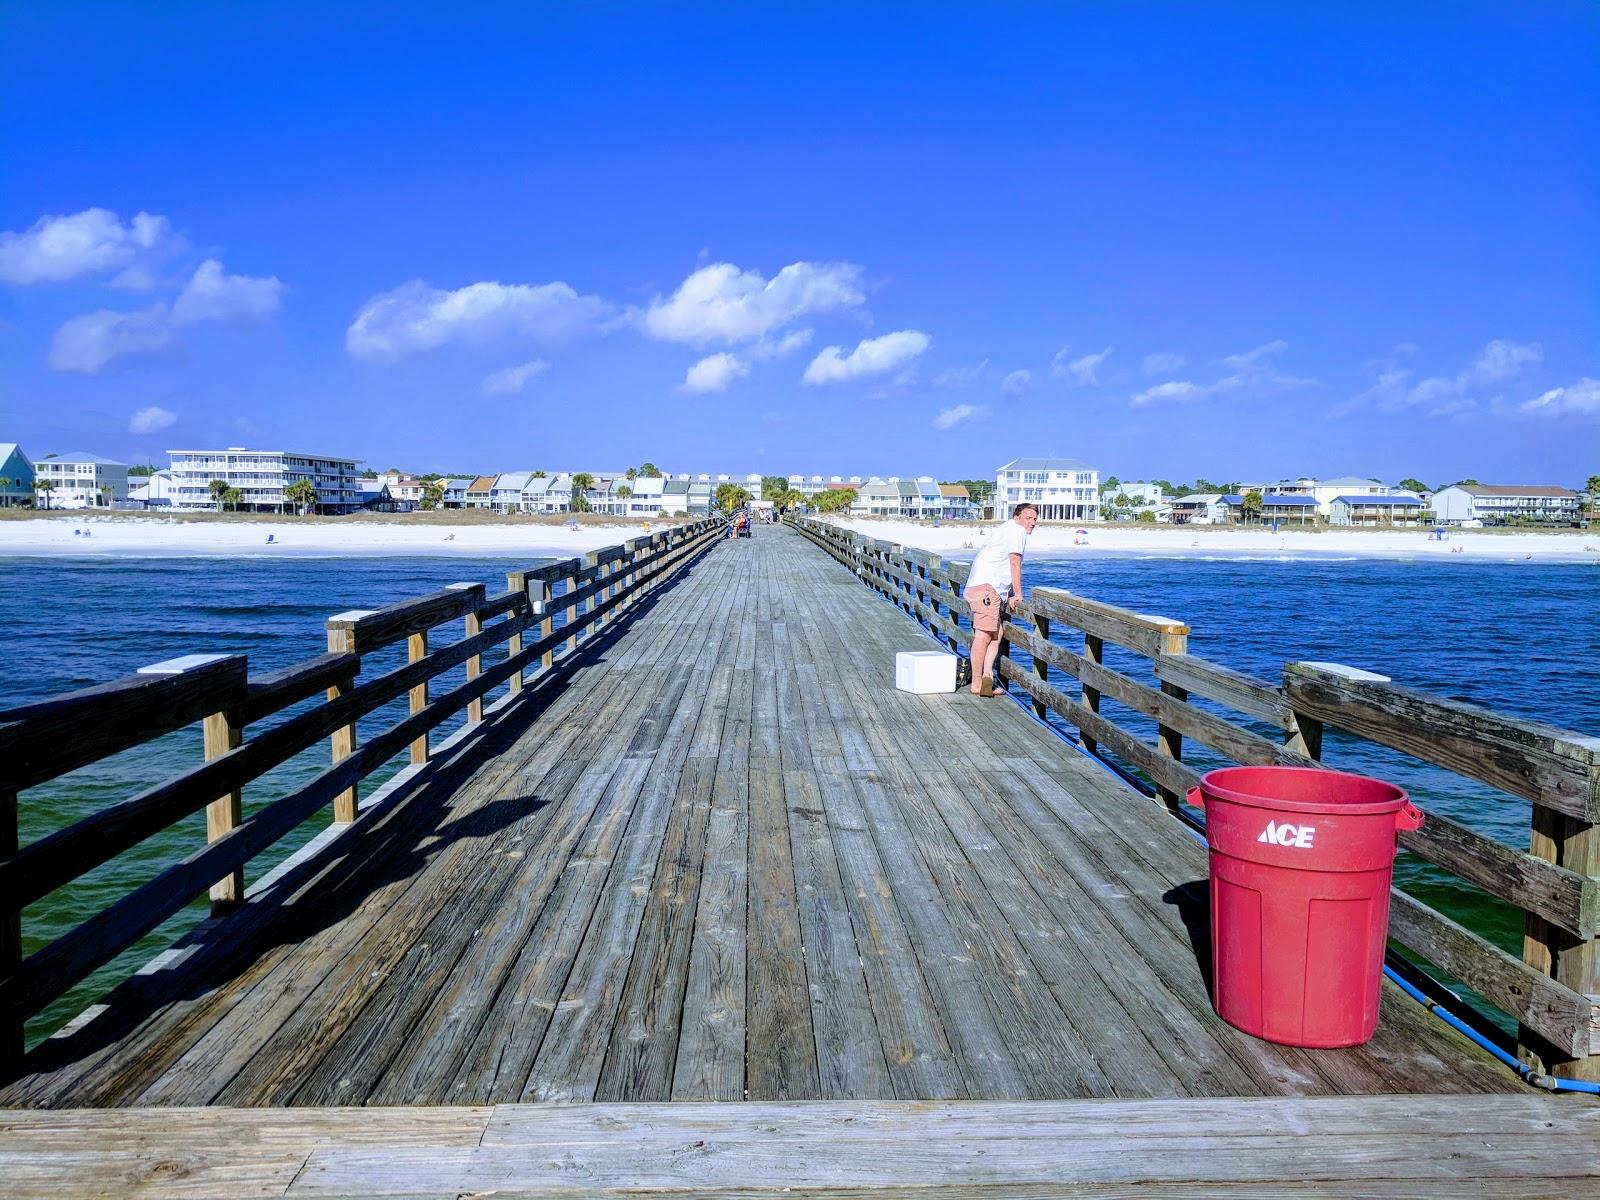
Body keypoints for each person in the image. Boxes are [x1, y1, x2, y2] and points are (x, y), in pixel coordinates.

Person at [963, 502, 1038, 696]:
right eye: (1028, 517)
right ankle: (977, 683)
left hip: (982, 588)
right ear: (1017, 517)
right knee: (983, 635)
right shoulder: (1017, 531)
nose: (1032, 522)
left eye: (1035, 519)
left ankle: (987, 676)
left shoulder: (1006, 528)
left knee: (997, 633)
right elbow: (1015, 561)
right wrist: (1018, 594)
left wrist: (1010, 592)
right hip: (987, 589)